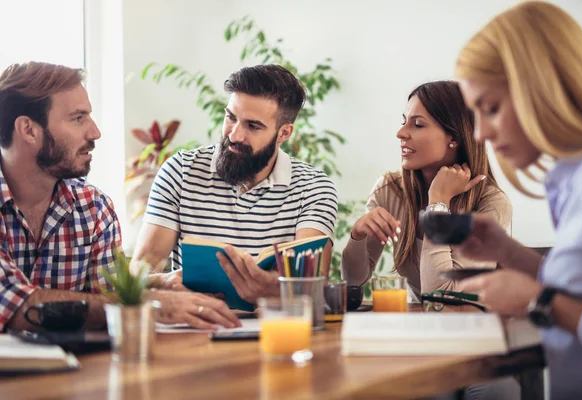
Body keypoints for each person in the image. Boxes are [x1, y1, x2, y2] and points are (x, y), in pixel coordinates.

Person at [0, 62, 240, 332]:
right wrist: (150, 303)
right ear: (28, 130)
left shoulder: (93, 208)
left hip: (71, 371)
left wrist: (157, 283)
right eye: (78, 118)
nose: (95, 132)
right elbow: (13, 306)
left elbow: (100, 297)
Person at [454, 2, 582, 398]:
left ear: (544, 88)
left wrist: (540, 302)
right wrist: (510, 253)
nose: (480, 133)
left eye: (492, 108)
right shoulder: (572, 179)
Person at [133, 64, 338, 306]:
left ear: (284, 133)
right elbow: (139, 271)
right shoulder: (180, 171)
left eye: (253, 126)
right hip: (195, 331)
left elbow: (312, 285)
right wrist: (165, 282)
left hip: (276, 330)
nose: (234, 135)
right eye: (231, 117)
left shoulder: (314, 188)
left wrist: (269, 288)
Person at [342, 80, 512, 302]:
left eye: (418, 125)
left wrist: (438, 203)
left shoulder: (491, 204)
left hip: (473, 327)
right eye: (404, 122)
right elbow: (353, 283)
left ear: (455, 137)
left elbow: (441, 295)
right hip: (419, 327)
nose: (401, 133)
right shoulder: (389, 190)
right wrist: (357, 236)